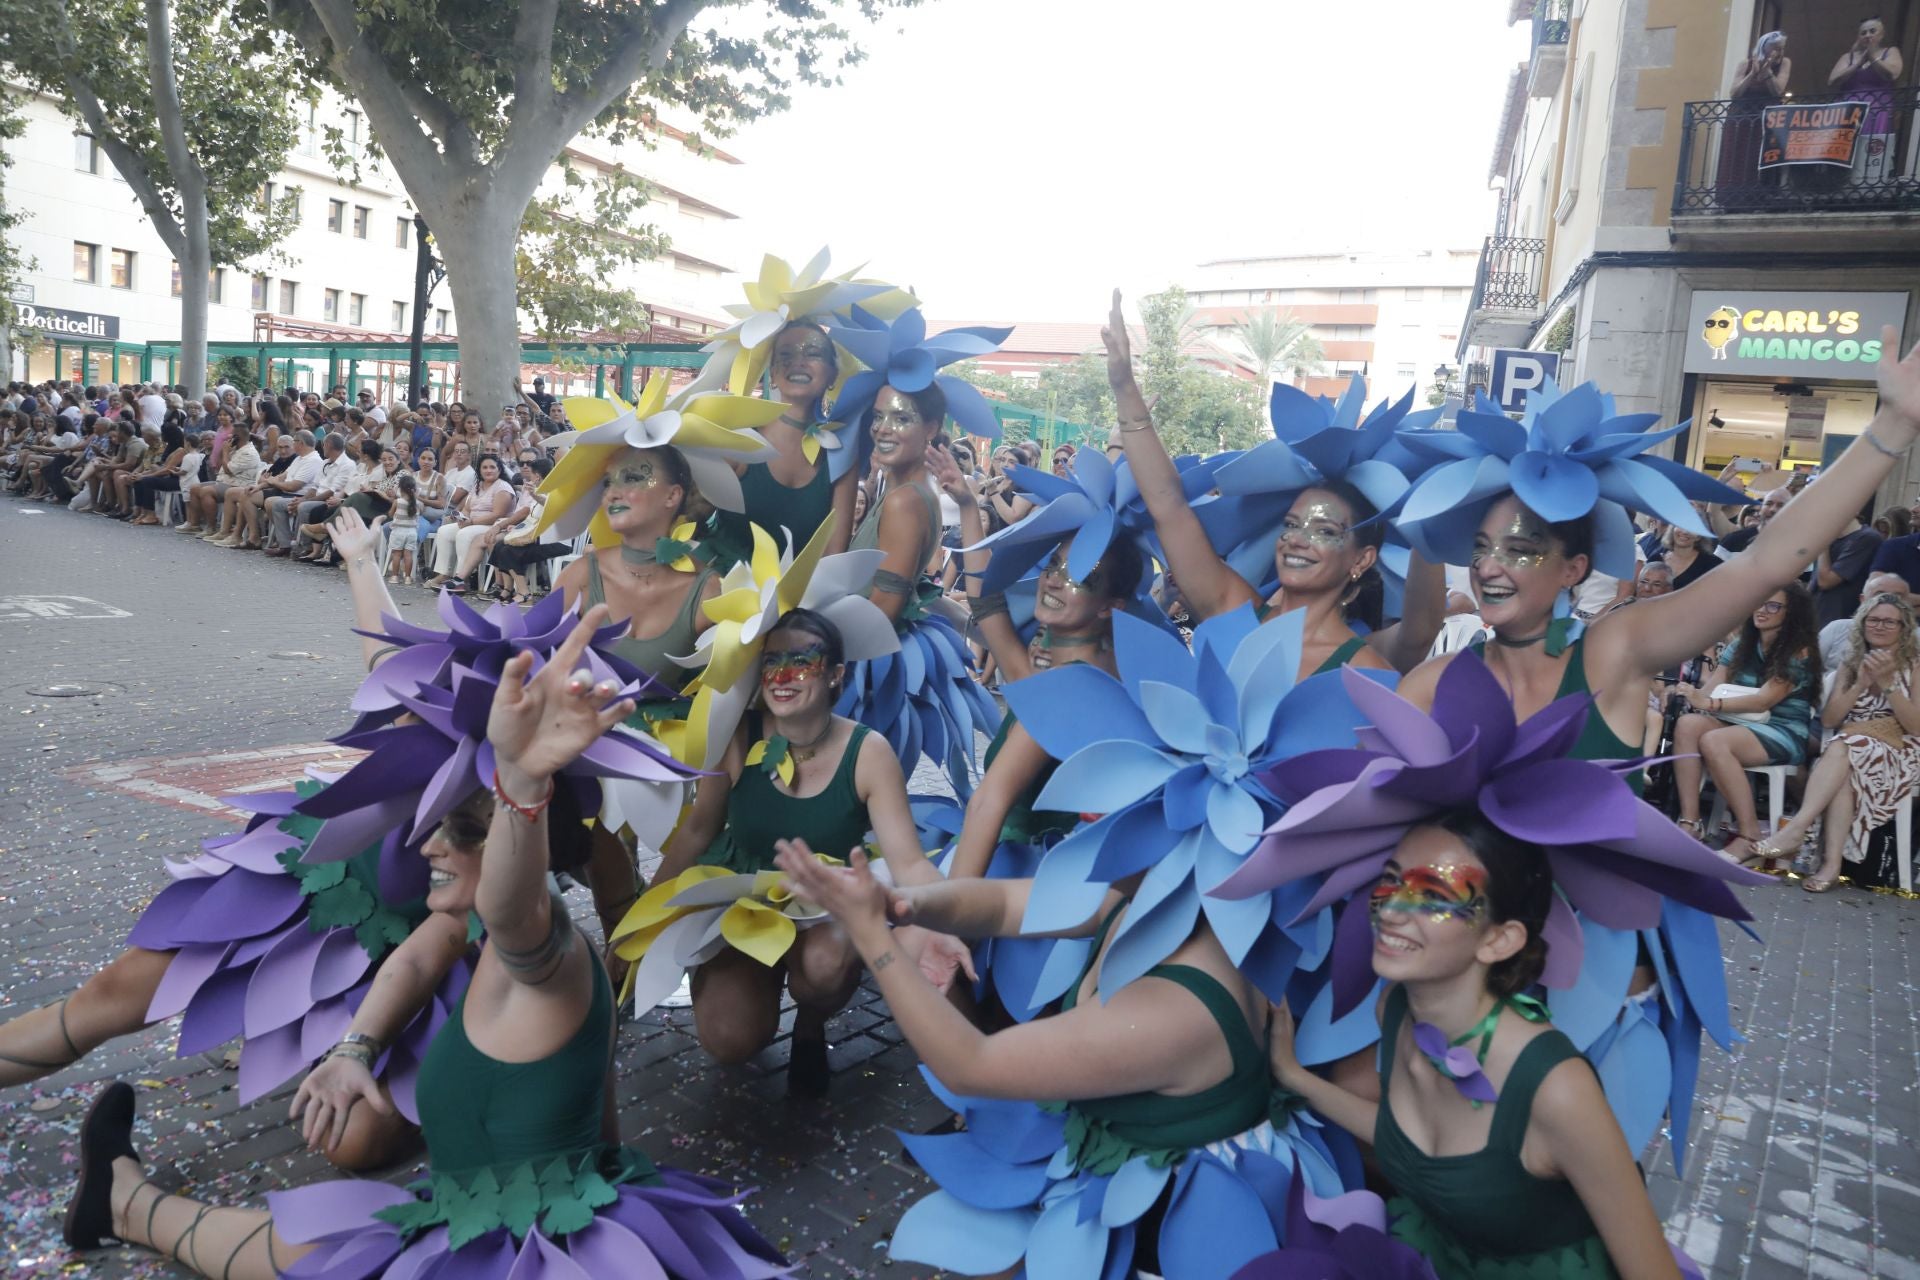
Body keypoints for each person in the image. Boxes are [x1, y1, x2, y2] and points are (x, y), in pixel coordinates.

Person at [61, 606, 782, 1280]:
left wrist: (523, 783)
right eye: (436, 822)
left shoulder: (536, 950)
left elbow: (512, 903)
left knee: (324, 1254)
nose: (431, 844)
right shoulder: (500, 941)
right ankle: (122, 1200)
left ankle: (124, 1203)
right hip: (523, 1214)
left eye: (461, 830)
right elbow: (423, 966)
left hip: (515, 1250)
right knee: (310, 1243)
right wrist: (354, 1051)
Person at [633, 609, 963, 1095]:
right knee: (727, 1038)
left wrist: (945, 926)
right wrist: (639, 925)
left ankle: (810, 1023)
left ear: (835, 675)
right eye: (771, 662)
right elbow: (698, 830)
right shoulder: (737, 735)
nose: (782, 677)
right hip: (739, 901)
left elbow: (908, 862)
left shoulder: (868, 752)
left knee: (825, 968)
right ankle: (757, 986)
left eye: (802, 661)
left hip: (825, 904)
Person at [1102, 291, 1445, 677]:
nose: (1296, 539)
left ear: (1362, 560)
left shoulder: (1364, 669)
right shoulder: (1235, 616)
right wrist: (1124, 388)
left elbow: (1419, 632)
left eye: (1324, 530)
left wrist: (1429, 520)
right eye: (1292, 525)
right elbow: (1169, 506)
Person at [837, 374, 998, 796]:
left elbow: (883, 611)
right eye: (877, 417)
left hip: (863, 667)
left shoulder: (905, 501)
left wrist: (826, 664)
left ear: (931, 428)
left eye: (901, 418)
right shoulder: (903, 491)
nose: (883, 428)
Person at [1751, 591, 1920, 890]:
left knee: (1842, 747)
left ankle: (1798, 828)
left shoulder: (1915, 665)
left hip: (1902, 750)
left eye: (1889, 622)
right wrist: (1860, 684)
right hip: (1854, 748)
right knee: (1845, 763)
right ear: (1862, 623)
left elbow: (1915, 726)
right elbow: (1830, 720)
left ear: (1904, 627)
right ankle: (1831, 866)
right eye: (1873, 620)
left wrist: (1888, 685)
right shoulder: (1851, 663)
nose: (1879, 626)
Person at [1670, 583, 1822, 861]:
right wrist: (1691, 694)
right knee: (1688, 725)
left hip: (1783, 730)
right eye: (1760, 602)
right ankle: (1691, 823)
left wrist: (1710, 704)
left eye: (1773, 605)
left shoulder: (1799, 651)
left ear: (1791, 612)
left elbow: (1763, 701)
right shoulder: (1741, 645)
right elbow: (1712, 690)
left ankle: (1749, 834)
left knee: (1714, 741)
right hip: (1738, 722)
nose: (1762, 610)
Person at [1829, 16, 1903, 185]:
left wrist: (1872, 57)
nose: (1867, 35)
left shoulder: (1890, 52)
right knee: (1849, 148)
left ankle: (1872, 184)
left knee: (1874, 148)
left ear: (1881, 34)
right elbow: (1832, 80)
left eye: (1872, 31)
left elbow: (1893, 73)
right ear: (1858, 37)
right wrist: (1857, 63)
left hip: (1878, 109)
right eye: (1863, 33)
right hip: (1851, 112)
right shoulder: (1848, 57)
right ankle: (1845, 183)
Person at [1717, 31, 1789, 206]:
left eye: (1781, 48)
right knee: (1739, 156)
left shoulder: (1785, 63)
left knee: (1763, 156)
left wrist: (1768, 72)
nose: (1779, 52)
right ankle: (1733, 198)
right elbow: (1734, 93)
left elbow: (1778, 91)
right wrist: (1751, 75)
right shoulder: (1746, 64)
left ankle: (1762, 198)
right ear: (1764, 48)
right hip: (1742, 118)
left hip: (1767, 120)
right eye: (1775, 48)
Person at [423, 453, 512, 588]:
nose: (488, 470)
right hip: (472, 523)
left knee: (464, 534)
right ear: (479, 470)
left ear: (499, 470)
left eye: (492, 467)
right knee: (444, 531)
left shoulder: (503, 488)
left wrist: (471, 522)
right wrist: (461, 517)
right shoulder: (478, 485)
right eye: (485, 467)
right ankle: (444, 573)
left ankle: (461, 577)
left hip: (493, 526)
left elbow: (497, 514)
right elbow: (467, 509)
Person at [1653, 519, 1719, 589]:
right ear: (1672, 529)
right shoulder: (1656, 559)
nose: (1685, 532)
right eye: (1681, 525)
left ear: (1699, 536)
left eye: (1692, 528)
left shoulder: (1712, 564)